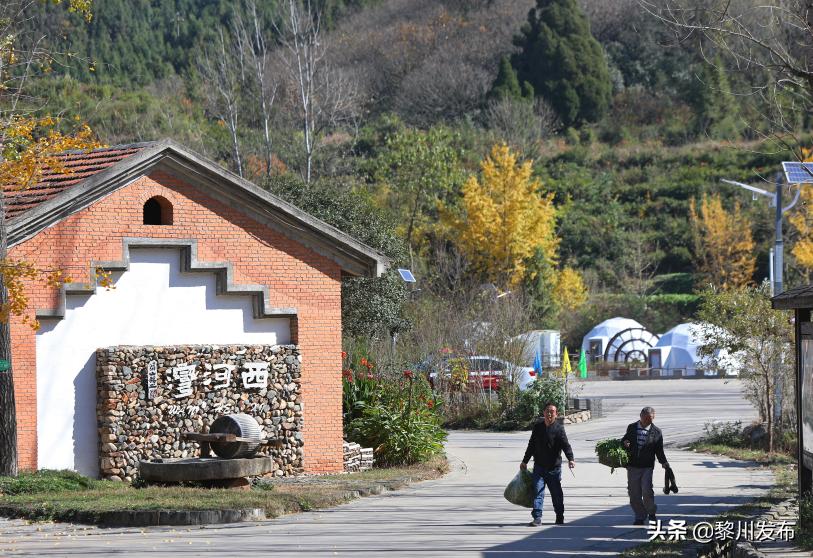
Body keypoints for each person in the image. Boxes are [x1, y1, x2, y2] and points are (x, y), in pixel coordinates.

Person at [520, 402, 575, 526]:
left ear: (556, 414)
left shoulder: (559, 429)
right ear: (544, 412)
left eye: (552, 412)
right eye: (548, 411)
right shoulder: (538, 427)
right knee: (538, 492)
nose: (550, 414)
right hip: (539, 467)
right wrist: (525, 461)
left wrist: (570, 458)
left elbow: (565, 445)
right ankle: (537, 518)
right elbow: (531, 445)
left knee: (556, 495)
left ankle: (559, 516)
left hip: (553, 469)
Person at [622, 406, 669, 525]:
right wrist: (625, 443)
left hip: (647, 466)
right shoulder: (632, 427)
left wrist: (664, 462)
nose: (649, 421)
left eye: (651, 419)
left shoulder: (656, 431)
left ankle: (651, 512)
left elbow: (659, 450)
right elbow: (625, 439)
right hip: (633, 466)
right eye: (647, 418)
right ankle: (640, 516)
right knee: (634, 493)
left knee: (647, 491)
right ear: (641, 416)